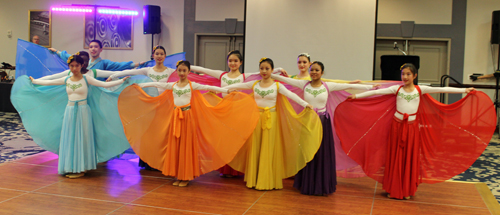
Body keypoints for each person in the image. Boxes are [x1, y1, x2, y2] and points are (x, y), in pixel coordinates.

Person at [334, 63, 496, 200]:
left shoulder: (421, 90)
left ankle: (405, 190)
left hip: (411, 128)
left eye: (408, 74)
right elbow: (376, 92)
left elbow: (442, 89)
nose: (405, 77)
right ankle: (393, 189)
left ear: (414, 75)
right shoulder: (396, 89)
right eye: (403, 74)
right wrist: (357, 97)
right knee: (396, 157)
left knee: (408, 158)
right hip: (397, 127)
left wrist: (464, 91)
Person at [118, 60, 260, 187]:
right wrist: (140, 85)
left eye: (184, 70)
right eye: (179, 70)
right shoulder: (172, 85)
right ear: (177, 72)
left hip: (187, 117)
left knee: (186, 146)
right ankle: (179, 175)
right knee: (176, 146)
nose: (181, 73)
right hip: (175, 117)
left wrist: (227, 90)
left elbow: (215, 89)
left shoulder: (193, 85)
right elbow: (156, 83)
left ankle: (185, 176)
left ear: (188, 72)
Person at [11, 55, 131, 178]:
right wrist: (34, 81)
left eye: (77, 66)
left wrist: (122, 81)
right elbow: (49, 82)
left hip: (83, 111)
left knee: (82, 138)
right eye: (72, 66)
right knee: (70, 138)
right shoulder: (67, 79)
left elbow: (104, 85)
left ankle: (81, 168)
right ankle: (71, 166)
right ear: (69, 66)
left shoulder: (86, 79)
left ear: (82, 66)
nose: (74, 68)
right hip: (70, 110)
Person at [271, 61, 379, 195]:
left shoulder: (328, 86)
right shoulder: (303, 84)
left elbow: (346, 86)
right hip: (307, 123)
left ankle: (321, 184)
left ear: (322, 72)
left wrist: (371, 87)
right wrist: (278, 69)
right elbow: (277, 77)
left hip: (322, 122)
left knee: (321, 153)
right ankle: (307, 183)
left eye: (317, 70)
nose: (314, 72)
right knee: (307, 151)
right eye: (312, 70)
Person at [223, 58, 323, 190]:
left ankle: (267, 179)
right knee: (256, 147)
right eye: (262, 68)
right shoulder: (254, 84)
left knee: (268, 148)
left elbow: (291, 95)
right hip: (256, 119)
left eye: (267, 68)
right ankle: (255, 178)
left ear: (271, 70)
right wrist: (219, 89)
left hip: (271, 119)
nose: (264, 71)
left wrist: (305, 104)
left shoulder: (277, 86)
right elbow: (235, 86)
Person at [107, 45, 175, 95]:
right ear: (153, 55)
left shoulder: (171, 71)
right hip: (150, 100)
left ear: (165, 56)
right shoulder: (148, 70)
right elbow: (130, 72)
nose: (159, 56)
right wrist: (112, 76)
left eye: (161, 54)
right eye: (157, 54)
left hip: (165, 102)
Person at [48, 40, 144, 71]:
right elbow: (69, 57)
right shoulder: (82, 61)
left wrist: (138, 64)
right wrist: (56, 51)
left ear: (101, 49)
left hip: (97, 92)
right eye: (91, 47)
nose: (93, 49)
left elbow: (119, 65)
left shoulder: (104, 63)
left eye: (96, 47)